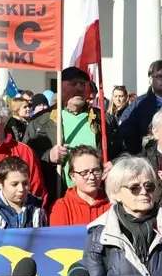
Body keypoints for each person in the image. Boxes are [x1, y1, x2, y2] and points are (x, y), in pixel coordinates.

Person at [25, 66, 121, 202]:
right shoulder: (40, 121)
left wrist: (114, 163)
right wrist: (48, 156)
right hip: (57, 197)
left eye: (83, 84)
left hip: (98, 198)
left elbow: (124, 153)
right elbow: (25, 158)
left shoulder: (104, 120)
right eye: (73, 83)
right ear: (60, 86)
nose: (79, 88)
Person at [0, 156, 47, 228]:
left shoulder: (37, 208)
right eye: (14, 184)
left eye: (25, 183)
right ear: (0, 183)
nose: (21, 189)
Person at [47, 145, 111, 226]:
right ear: (72, 176)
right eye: (84, 173)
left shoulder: (112, 204)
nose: (91, 177)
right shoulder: (61, 207)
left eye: (96, 171)